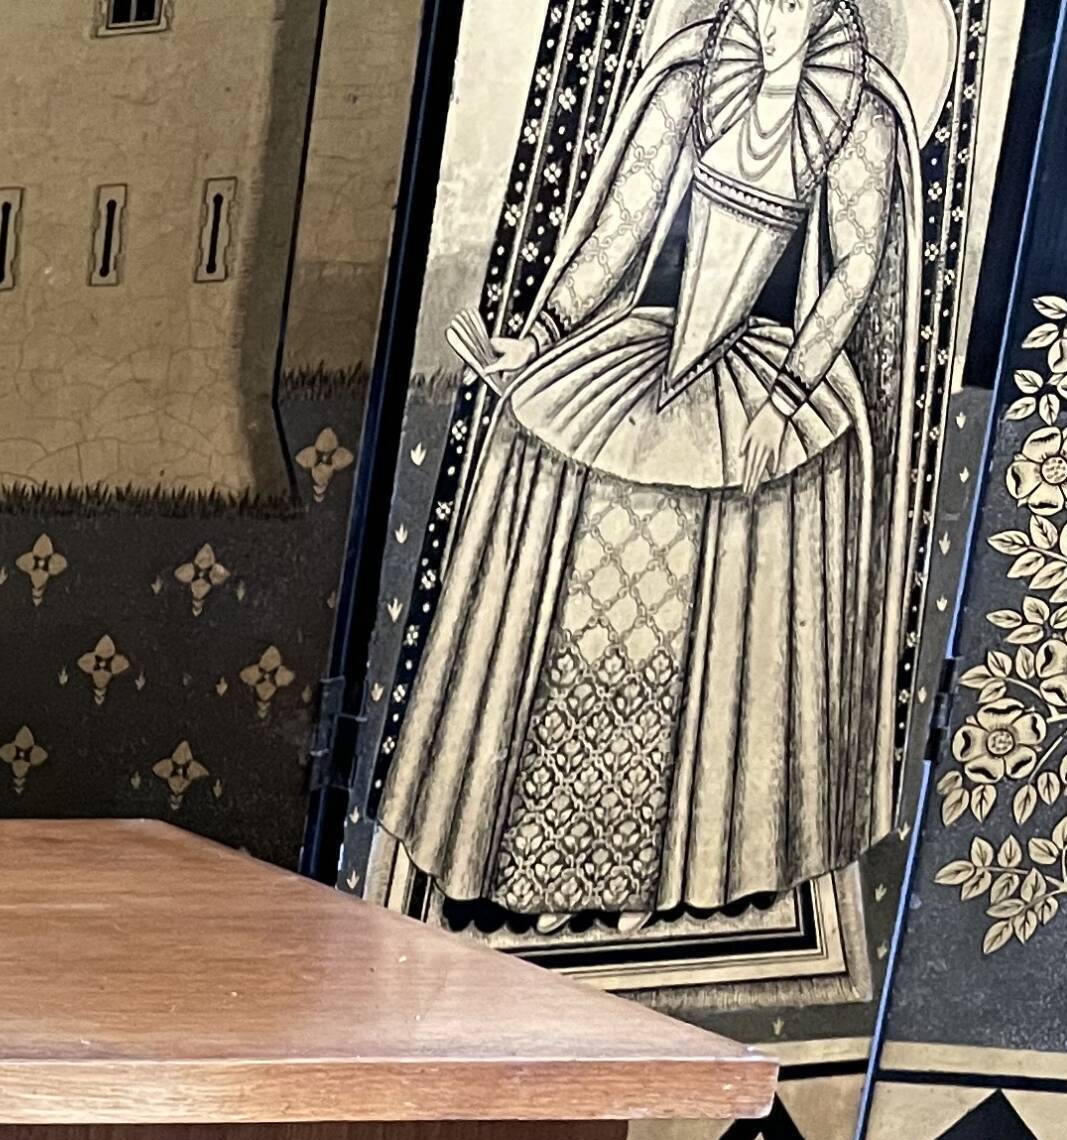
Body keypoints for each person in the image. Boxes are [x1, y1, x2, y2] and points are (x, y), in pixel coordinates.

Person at [377, 0, 942, 920]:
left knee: (728, 533)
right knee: (571, 480)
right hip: (650, 354)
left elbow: (853, 272)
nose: (769, 13)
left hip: (772, 374)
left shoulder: (859, 115)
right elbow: (620, 233)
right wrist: (544, 336)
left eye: (791, 0)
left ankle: (689, 869)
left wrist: (791, 394)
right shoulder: (689, 81)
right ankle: (551, 856)